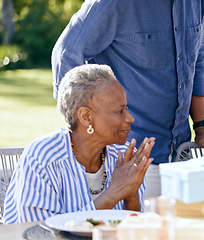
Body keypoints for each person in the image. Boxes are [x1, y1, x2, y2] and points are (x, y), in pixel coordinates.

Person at [51, 0, 204, 198]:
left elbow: (197, 60)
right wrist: (86, 135)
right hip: (125, 162)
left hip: (181, 160)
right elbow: (66, 53)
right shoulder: (114, 3)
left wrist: (201, 126)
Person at [3, 64, 154, 223]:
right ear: (86, 116)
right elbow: (42, 232)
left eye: (127, 108)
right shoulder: (43, 158)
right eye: (120, 110)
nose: (130, 118)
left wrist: (130, 193)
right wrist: (112, 194)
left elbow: (134, 230)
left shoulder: (123, 154)